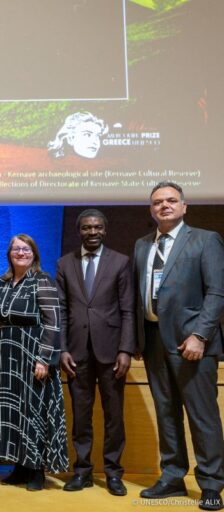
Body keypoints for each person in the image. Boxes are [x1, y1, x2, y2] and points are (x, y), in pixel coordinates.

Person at [134, 181, 224, 511]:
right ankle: (172, 476)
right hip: (154, 342)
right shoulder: (142, 245)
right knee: (166, 413)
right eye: (158, 202)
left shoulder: (205, 240)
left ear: (184, 207)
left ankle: (211, 483)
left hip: (192, 344)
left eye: (172, 200)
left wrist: (200, 335)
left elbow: (217, 292)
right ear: (151, 210)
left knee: (202, 416)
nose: (165, 205)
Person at [56, 209, 134, 496]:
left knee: (114, 416)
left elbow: (128, 309)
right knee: (81, 415)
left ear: (105, 230)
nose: (92, 232)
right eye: (87, 228)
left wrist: (125, 349)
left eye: (97, 227)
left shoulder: (120, 262)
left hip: (111, 352)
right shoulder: (64, 263)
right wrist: (62, 348)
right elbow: (61, 311)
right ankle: (82, 471)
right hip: (76, 352)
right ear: (79, 231)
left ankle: (113, 473)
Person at [0, 234, 68, 491]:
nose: (21, 253)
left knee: (33, 412)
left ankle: (36, 470)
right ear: (9, 254)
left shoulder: (42, 280)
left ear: (34, 253)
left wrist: (44, 358)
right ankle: (19, 466)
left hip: (32, 357)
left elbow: (53, 322)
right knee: (12, 412)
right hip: (6, 358)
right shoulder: (1, 282)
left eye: (26, 249)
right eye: (16, 249)